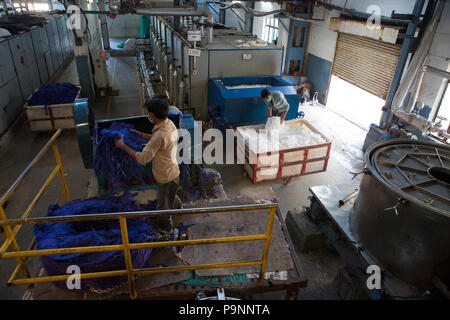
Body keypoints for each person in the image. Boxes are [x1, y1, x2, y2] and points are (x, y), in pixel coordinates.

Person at [114, 98, 180, 230]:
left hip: (164, 177)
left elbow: (143, 158)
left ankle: (166, 228)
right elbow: (160, 140)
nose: (148, 115)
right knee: (171, 194)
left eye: (148, 112)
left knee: (162, 206)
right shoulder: (170, 124)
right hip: (174, 172)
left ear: (153, 115)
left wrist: (122, 146)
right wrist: (142, 135)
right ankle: (178, 209)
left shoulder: (159, 135)